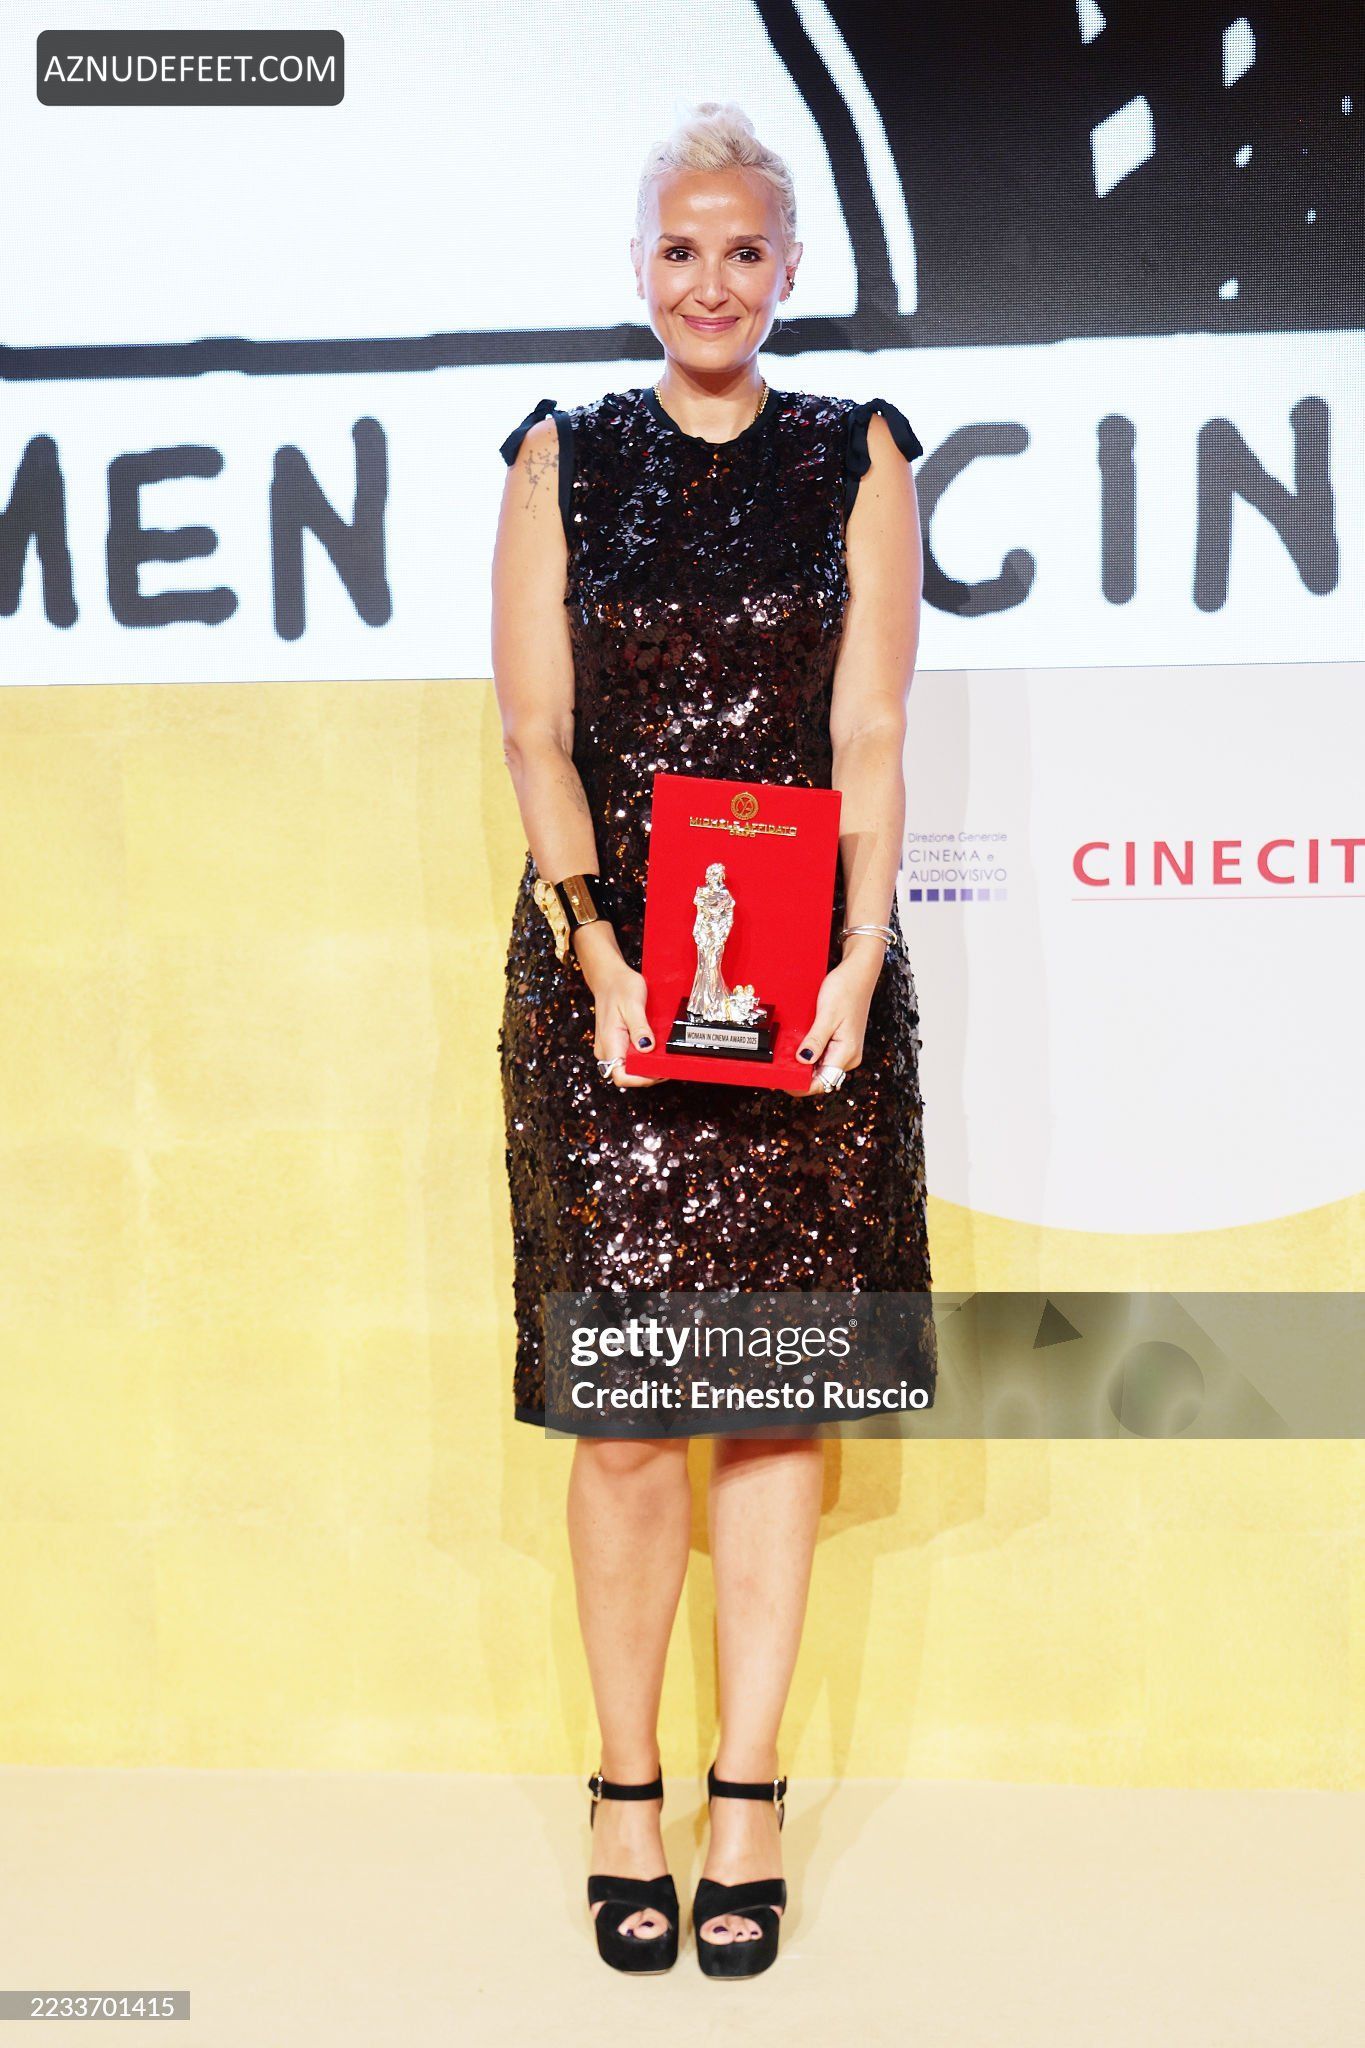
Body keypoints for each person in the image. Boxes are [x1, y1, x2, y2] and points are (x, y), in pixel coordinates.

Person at [490, 99, 935, 1980]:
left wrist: (856, 956)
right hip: (610, 989)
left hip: (804, 985)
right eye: (680, 249)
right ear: (639, 268)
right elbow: (535, 733)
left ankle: (744, 1795)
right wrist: (594, 944)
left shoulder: (857, 450)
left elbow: (868, 733)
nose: (710, 281)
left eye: (743, 249)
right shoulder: (558, 453)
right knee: (623, 1423)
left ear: (788, 271)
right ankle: (625, 1793)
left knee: (769, 1399)